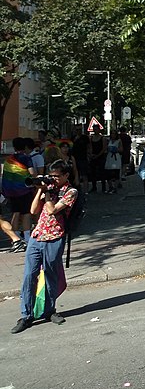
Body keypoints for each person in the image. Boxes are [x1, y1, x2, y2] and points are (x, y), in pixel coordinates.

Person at [11, 160, 78, 333]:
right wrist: (40, 189)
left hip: (55, 238)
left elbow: (51, 210)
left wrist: (47, 192)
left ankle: (50, 310)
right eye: (51, 176)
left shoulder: (70, 192)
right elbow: (34, 211)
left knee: (50, 275)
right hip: (37, 236)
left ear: (66, 176)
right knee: (29, 276)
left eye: (56, 176)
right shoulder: (48, 189)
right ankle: (26, 315)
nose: (53, 180)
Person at [1, 137, 37, 252]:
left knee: (15, 213)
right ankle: (27, 239)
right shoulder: (26, 158)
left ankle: (16, 239)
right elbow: (32, 174)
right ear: (25, 147)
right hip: (24, 190)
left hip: (12, 191)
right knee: (26, 213)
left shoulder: (8, 160)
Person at [87, 124, 108, 193]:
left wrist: (98, 155)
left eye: (96, 129)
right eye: (94, 129)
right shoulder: (91, 138)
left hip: (100, 157)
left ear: (99, 130)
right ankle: (94, 187)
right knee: (93, 172)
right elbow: (90, 147)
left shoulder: (103, 138)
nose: (95, 131)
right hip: (93, 157)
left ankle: (103, 187)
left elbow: (104, 148)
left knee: (102, 172)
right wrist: (90, 154)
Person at [105, 129, 122, 194]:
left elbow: (121, 149)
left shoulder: (119, 141)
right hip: (109, 157)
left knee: (116, 173)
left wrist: (115, 150)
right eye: (112, 133)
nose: (113, 135)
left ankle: (115, 188)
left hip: (116, 158)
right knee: (108, 173)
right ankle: (110, 187)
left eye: (114, 134)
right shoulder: (108, 141)